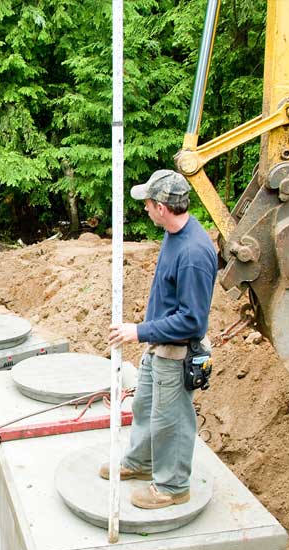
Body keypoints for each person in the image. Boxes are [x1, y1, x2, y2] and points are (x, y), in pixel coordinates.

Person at [102, 169, 218, 510]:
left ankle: (172, 485)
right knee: (145, 407)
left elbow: (191, 320)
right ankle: (141, 463)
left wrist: (138, 331)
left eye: (149, 204)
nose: (146, 210)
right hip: (159, 347)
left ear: (162, 208)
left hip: (176, 352)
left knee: (172, 421)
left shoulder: (194, 254)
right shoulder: (174, 235)